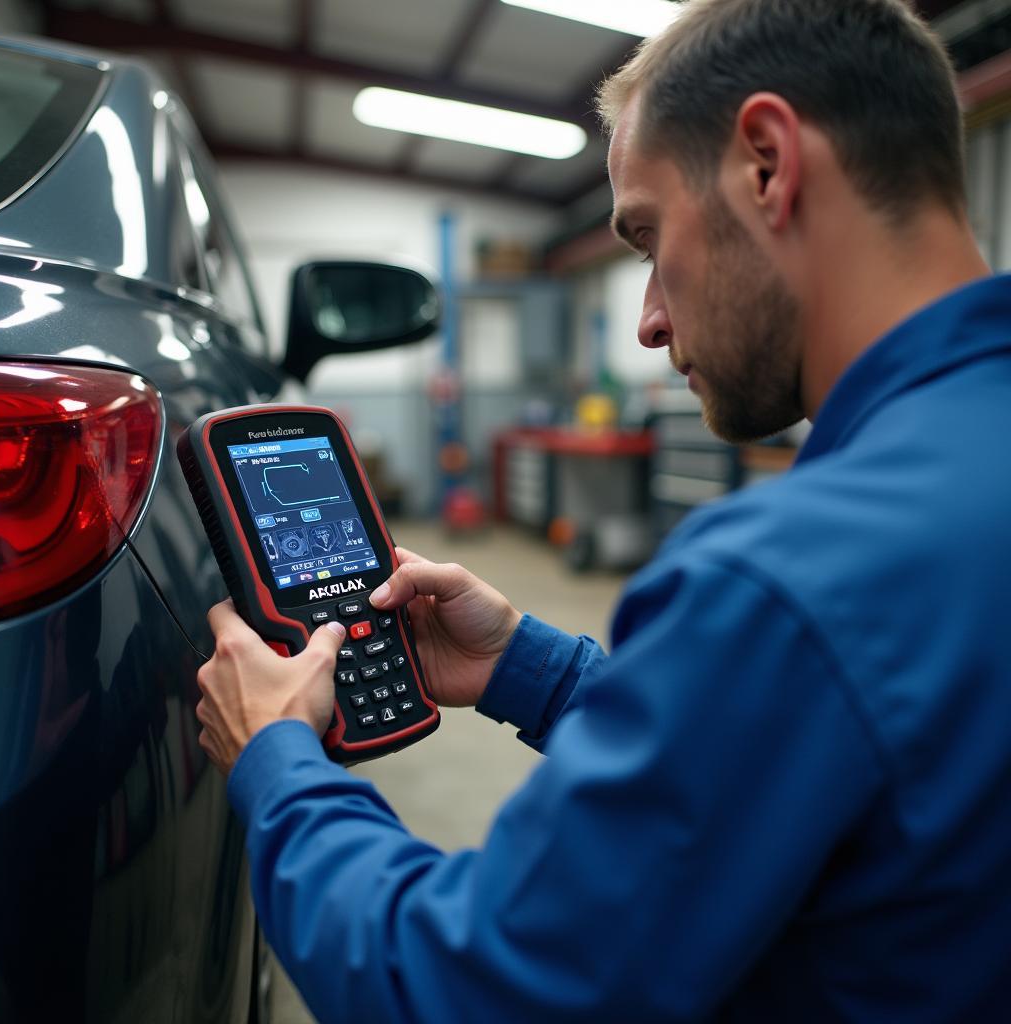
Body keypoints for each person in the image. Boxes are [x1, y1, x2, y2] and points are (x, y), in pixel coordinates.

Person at [195, 0, 1011, 1019]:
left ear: (767, 162)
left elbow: (470, 985)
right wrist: (524, 667)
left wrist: (277, 761)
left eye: (646, 237)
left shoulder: (786, 579)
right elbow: (791, 761)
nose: (648, 321)